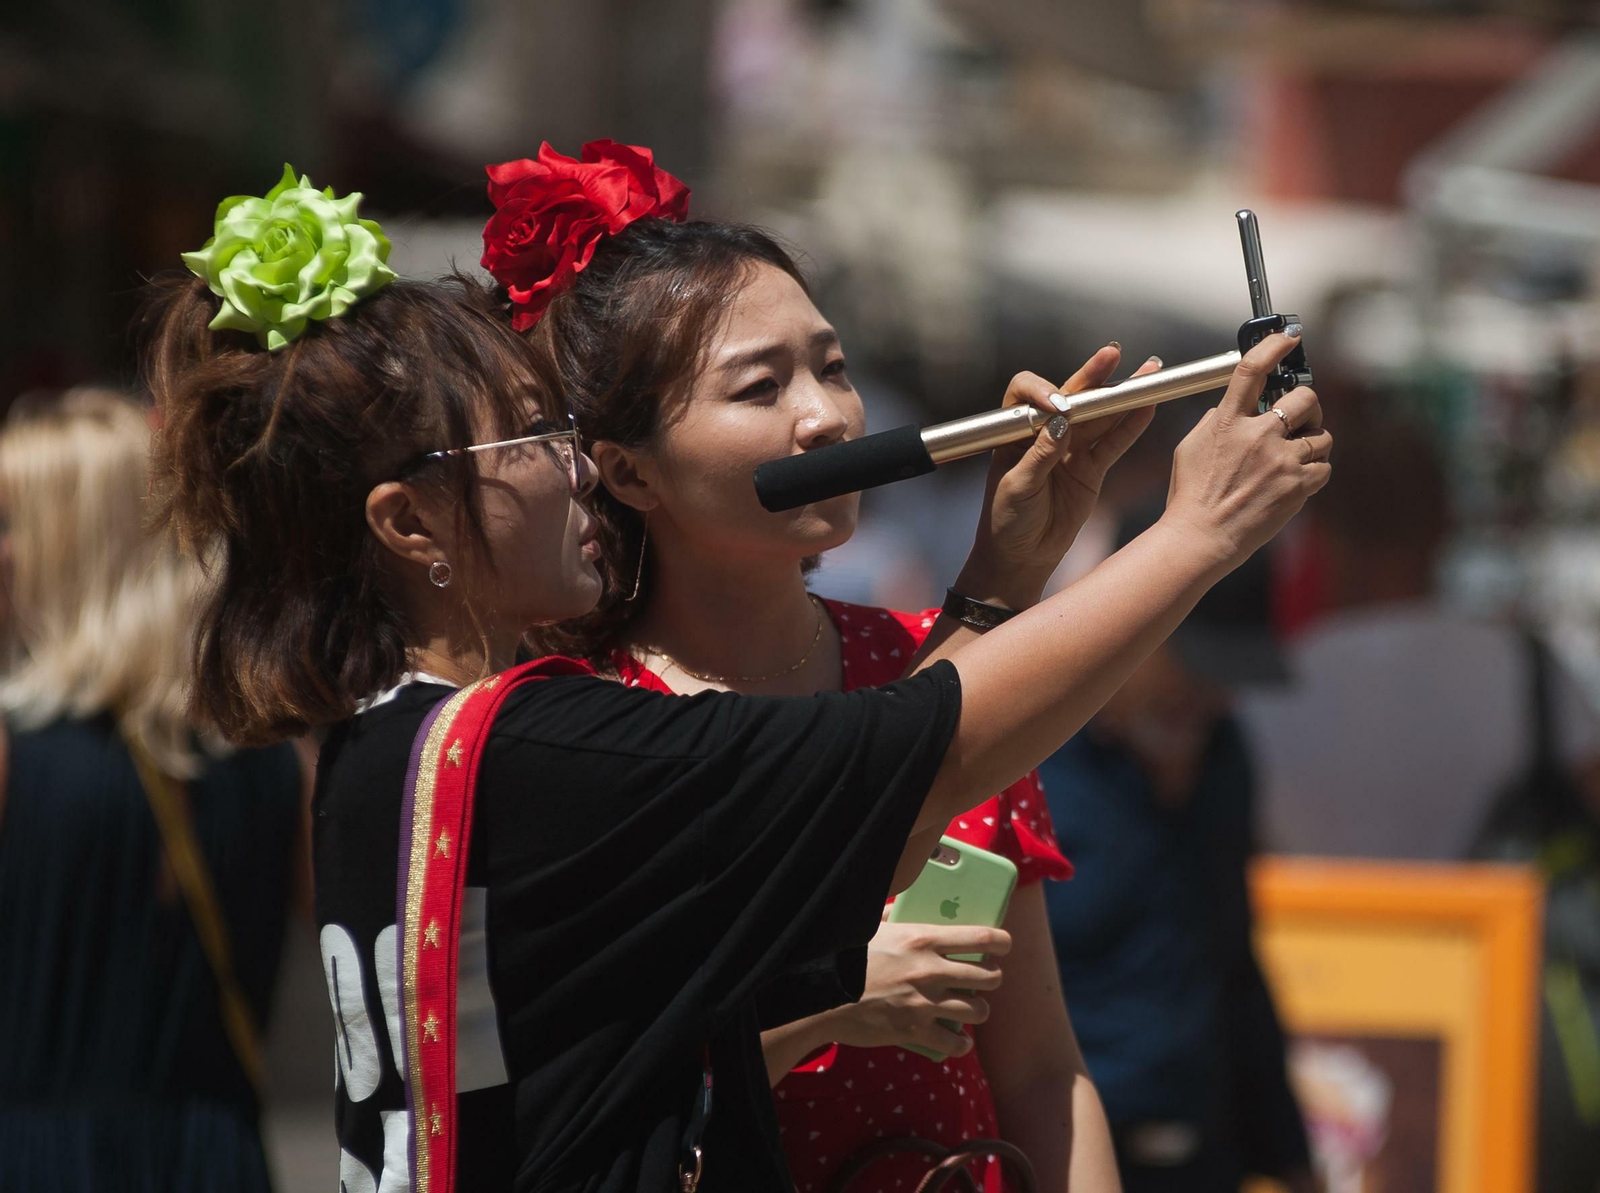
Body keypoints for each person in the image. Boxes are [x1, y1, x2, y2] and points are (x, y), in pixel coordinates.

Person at [142, 161, 1328, 1193]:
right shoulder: (558, 741)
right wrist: (1196, 532)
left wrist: (993, 582)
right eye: (529, 442)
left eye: (831, 366)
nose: (572, 470)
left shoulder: (405, 740)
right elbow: (926, 758)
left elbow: (896, 788)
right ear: (410, 525)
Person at [489, 141, 1173, 1191]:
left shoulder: (933, 662)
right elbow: (572, 1091)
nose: (826, 415)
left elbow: (1041, 1068)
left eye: (834, 365)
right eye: (760, 386)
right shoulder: (582, 729)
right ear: (627, 470)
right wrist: (823, 1000)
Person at [0, 389, 304, 1193]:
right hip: (218, 1156)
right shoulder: (272, 751)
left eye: (8, 522)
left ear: (70, 547)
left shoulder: (17, 752)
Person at [1038, 503, 1313, 1193]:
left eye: (1228, 674)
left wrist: (1291, 1153)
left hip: (1205, 1157)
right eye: (1189, 662)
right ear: (1124, 621)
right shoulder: (1026, 760)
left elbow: (1234, 965)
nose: (1208, 696)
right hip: (1065, 1158)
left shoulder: (1226, 760)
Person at [1237, 410, 1600, 860]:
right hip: (1495, 930)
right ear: (1445, 522)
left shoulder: (1262, 693)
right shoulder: (1529, 674)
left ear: (1323, 534)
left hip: (1309, 929)